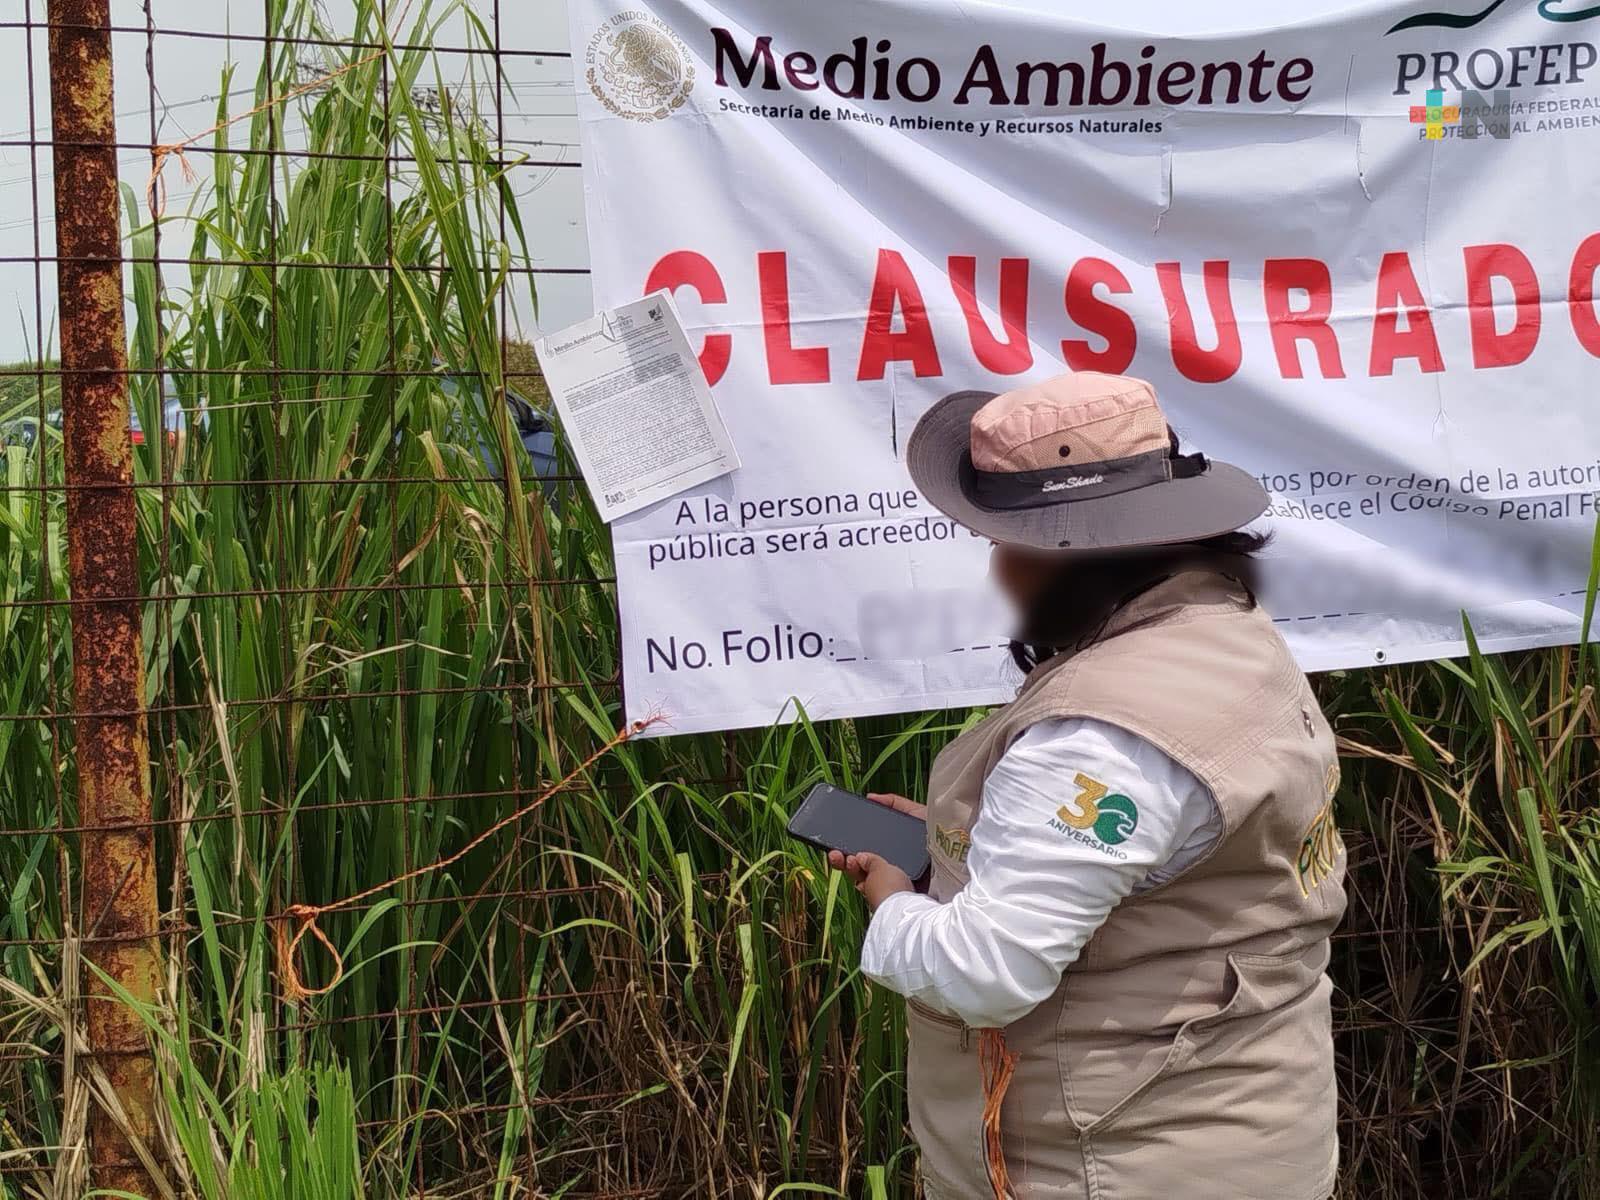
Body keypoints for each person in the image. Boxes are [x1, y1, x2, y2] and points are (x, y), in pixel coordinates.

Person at [827, 371, 1346, 1200]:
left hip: (1115, 1163)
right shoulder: (1223, 633)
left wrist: (894, 901)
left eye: (1009, 543)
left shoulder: (1099, 733)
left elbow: (985, 973)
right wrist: (970, 847)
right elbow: (1158, 847)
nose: (997, 569)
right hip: (1252, 1126)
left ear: (1072, 550)